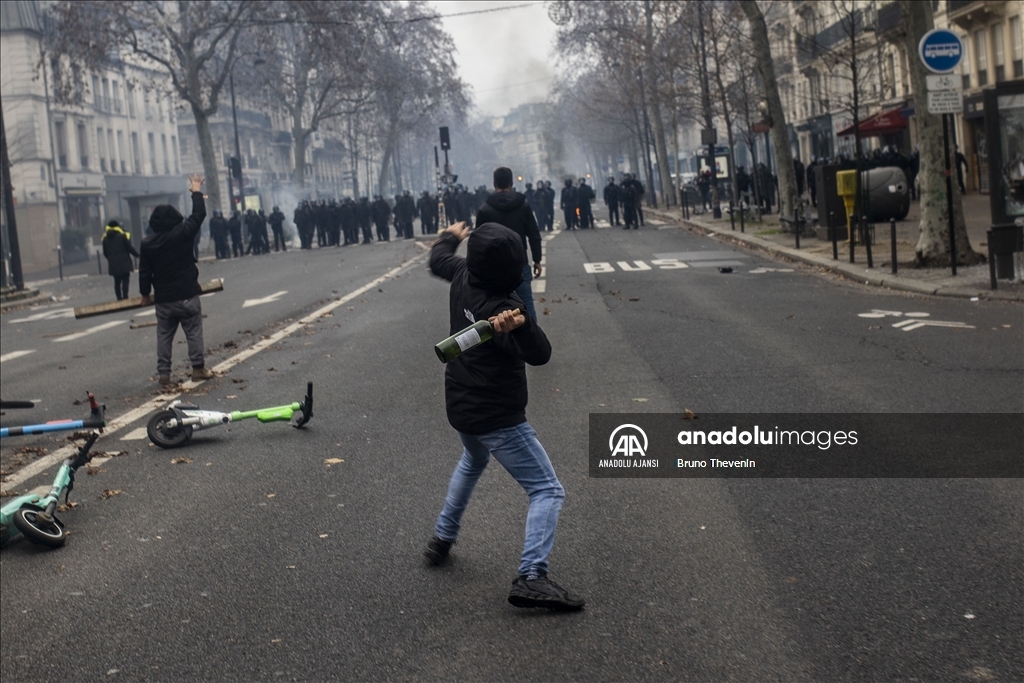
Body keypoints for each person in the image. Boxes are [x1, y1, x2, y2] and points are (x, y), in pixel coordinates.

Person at [425, 220, 584, 612]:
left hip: (462, 402)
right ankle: (532, 575)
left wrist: (450, 237)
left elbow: (439, 259)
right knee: (547, 490)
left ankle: (442, 537)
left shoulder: (463, 272)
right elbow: (541, 353)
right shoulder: (500, 310)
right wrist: (523, 323)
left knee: (473, 459)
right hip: (496, 413)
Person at [139, 174, 214, 385]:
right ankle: (198, 368)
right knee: (193, 331)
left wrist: (145, 294)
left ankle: (164, 375)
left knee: (164, 336)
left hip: (164, 299)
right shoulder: (182, 233)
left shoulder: (147, 243)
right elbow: (199, 214)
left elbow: (144, 271)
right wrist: (196, 191)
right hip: (187, 294)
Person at [474, 166, 543, 321]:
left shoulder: (485, 209)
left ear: (494, 183)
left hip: (493, 267)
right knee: (526, 303)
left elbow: (477, 242)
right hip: (519, 263)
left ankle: (502, 341)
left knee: (495, 308)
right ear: (512, 182)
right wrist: (537, 260)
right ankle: (531, 339)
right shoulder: (523, 205)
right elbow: (534, 235)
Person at [101, 219, 139, 300]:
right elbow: (129, 248)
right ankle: (125, 296)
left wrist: (111, 259)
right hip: (124, 262)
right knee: (125, 279)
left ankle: (119, 297)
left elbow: (105, 252)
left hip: (113, 263)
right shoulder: (122, 237)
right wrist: (138, 255)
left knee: (116, 281)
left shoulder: (105, 239)